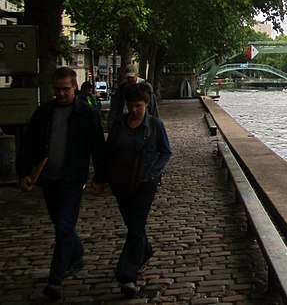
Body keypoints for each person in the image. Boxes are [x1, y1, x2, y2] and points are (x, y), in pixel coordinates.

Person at [16, 67, 106, 301]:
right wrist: (24, 172)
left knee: (64, 226)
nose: (61, 94)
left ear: (75, 87)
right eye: (57, 89)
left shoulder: (86, 114)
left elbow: (98, 147)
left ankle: (55, 278)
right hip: (49, 179)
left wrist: (99, 178)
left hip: (73, 179)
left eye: (65, 89)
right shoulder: (44, 113)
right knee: (61, 224)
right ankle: (76, 255)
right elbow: (29, 144)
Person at [105, 82, 171, 297]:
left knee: (135, 225)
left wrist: (152, 173)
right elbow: (109, 152)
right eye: (130, 106)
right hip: (122, 182)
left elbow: (165, 152)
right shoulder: (118, 125)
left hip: (145, 183)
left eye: (138, 106)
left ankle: (127, 275)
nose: (133, 110)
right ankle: (145, 250)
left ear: (147, 104)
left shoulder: (155, 125)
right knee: (132, 224)